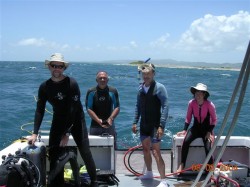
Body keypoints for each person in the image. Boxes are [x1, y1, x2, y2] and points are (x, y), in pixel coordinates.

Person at [28, 53, 98, 187]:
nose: (57, 69)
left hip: (76, 121)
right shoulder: (44, 87)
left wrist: (66, 133)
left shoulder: (71, 83)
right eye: (54, 65)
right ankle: (57, 183)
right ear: (49, 66)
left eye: (60, 66)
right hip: (58, 120)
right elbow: (39, 110)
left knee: (85, 152)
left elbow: (73, 110)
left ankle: (94, 182)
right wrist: (35, 133)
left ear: (63, 68)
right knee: (54, 153)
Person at [132, 63, 169, 187]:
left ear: (153, 74)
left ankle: (163, 180)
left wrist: (161, 126)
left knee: (156, 152)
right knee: (146, 150)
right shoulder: (140, 88)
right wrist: (134, 122)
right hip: (144, 125)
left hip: (155, 125)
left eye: (148, 74)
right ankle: (149, 172)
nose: (146, 76)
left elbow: (165, 106)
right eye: (144, 74)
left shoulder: (160, 88)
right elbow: (137, 106)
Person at [176, 83, 217, 174]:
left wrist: (209, 132)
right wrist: (185, 130)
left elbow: (214, 120)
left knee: (208, 148)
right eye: (196, 92)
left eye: (200, 93)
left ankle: (209, 171)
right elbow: (188, 118)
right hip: (195, 128)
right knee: (185, 142)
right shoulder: (191, 103)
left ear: (204, 94)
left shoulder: (210, 105)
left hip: (206, 130)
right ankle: (182, 165)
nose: (198, 95)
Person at [85, 71, 120, 148]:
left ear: (108, 80)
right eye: (100, 78)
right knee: (93, 149)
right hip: (95, 126)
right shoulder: (91, 91)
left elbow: (117, 107)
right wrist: (98, 120)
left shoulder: (113, 91)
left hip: (109, 125)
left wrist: (111, 119)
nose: (102, 80)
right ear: (96, 80)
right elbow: (88, 108)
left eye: (104, 78)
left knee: (112, 148)